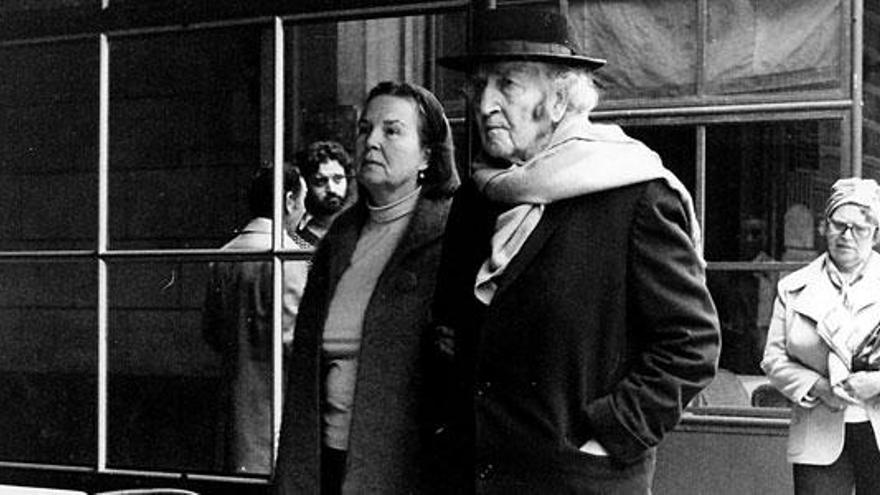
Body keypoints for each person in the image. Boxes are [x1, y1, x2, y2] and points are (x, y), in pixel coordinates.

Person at [433, 7, 720, 493]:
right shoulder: (477, 198)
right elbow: (452, 332)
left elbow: (690, 344)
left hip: (582, 480)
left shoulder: (634, 193)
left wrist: (609, 435)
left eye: (507, 84)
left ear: (562, 97)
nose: (483, 105)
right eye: (477, 86)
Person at [273, 81, 460, 494]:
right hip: (325, 461)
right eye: (364, 129)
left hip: (406, 471)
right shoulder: (340, 237)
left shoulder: (452, 234)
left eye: (392, 131)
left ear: (428, 154)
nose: (371, 141)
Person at [762, 178, 880, 494]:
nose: (847, 236)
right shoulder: (794, 287)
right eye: (839, 225)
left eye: (860, 228)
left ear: (876, 234)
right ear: (823, 227)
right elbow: (773, 360)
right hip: (818, 430)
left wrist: (877, 382)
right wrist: (819, 387)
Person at [202, 162, 310, 474]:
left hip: (235, 402)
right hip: (277, 405)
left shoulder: (224, 255)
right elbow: (294, 340)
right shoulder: (289, 256)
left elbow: (211, 332)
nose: (303, 211)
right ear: (290, 200)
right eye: (302, 201)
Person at [295, 140, 356, 247]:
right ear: (306, 186)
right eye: (320, 181)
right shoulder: (297, 243)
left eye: (338, 179)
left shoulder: (362, 235)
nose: (331, 189)